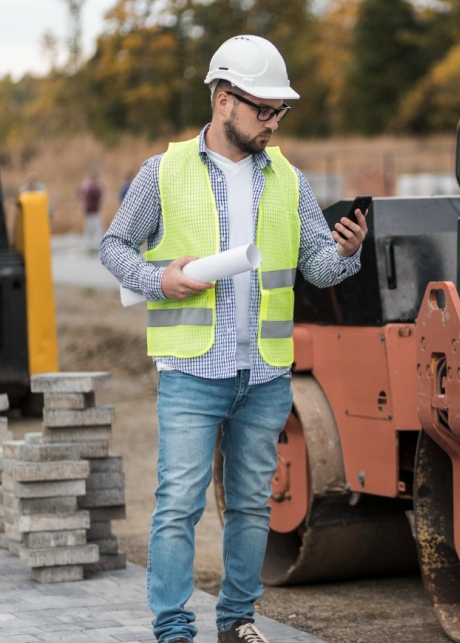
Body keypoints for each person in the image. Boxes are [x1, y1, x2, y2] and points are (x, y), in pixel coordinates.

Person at [100, 35, 369, 643]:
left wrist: (345, 253)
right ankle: (172, 630)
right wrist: (157, 279)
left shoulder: (289, 180)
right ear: (223, 101)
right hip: (192, 369)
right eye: (263, 110)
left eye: (280, 112)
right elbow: (112, 247)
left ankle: (237, 622)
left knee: (251, 505)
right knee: (178, 507)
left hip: (265, 372)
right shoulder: (162, 171)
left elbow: (316, 269)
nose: (273, 122)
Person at [79, 171, 103, 253]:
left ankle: (89, 246)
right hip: (92, 212)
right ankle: (93, 246)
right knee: (96, 230)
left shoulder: (85, 186)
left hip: (89, 212)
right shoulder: (91, 188)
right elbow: (98, 195)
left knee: (90, 231)